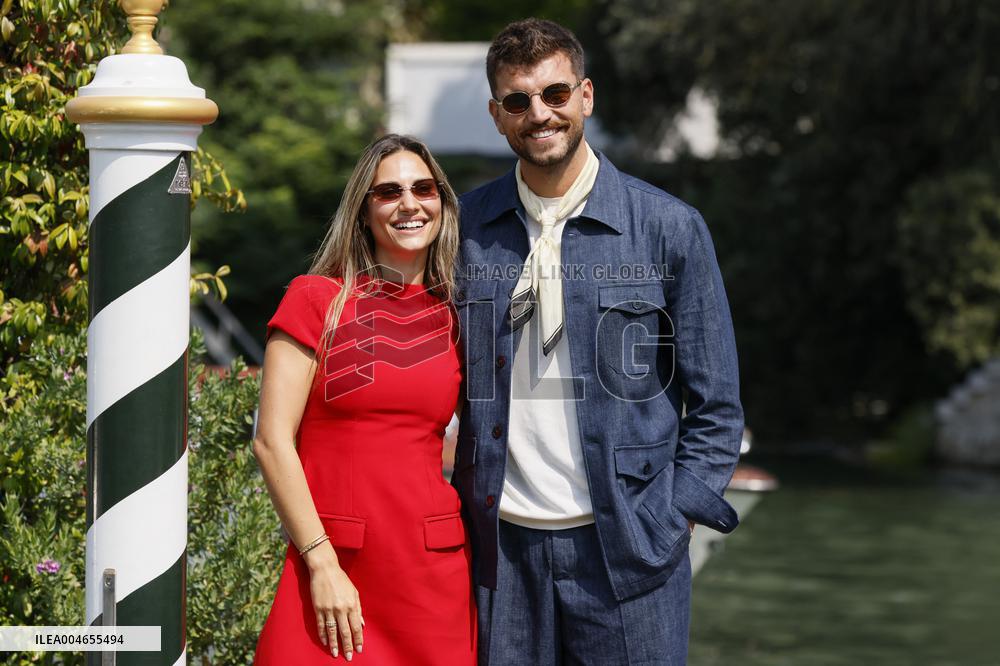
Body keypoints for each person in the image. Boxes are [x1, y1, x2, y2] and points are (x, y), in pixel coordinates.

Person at [452, 19, 743, 664]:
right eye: (518, 100)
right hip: (499, 557)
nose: (539, 113)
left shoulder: (668, 227)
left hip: (630, 553)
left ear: (586, 96)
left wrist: (672, 516)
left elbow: (717, 404)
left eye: (555, 94)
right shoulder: (463, 230)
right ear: (497, 116)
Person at [253, 134, 476, 665]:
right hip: (334, 566)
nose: (409, 204)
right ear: (363, 210)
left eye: (424, 189)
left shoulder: (458, 314)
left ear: (442, 202)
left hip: (431, 574)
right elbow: (271, 442)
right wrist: (321, 562)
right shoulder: (317, 299)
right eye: (389, 192)